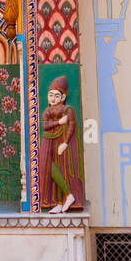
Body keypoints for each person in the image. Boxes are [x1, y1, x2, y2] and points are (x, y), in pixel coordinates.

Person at [38, 76, 85, 212]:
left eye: (56, 96)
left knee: (62, 169)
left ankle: (66, 198)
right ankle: (60, 200)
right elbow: (45, 126)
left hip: (61, 143)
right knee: (49, 168)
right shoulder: (47, 111)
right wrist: (59, 122)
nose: (52, 98)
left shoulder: (67, 110)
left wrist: (65, 143)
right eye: (50, 95)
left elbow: (71, 126)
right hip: (48, 142)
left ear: (63, 97)